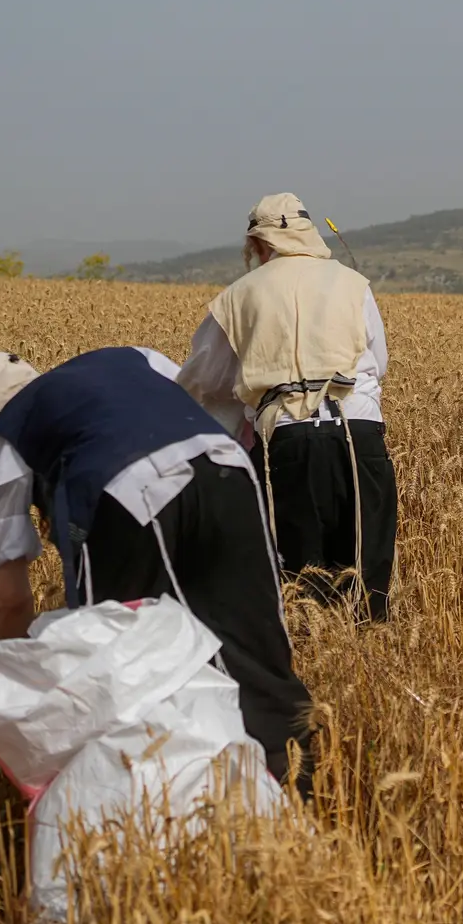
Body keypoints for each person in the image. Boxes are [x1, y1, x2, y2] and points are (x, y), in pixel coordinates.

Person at [0, 347, 313, 785]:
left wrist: (17, 691)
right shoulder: (131, 358)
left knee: (126, 671)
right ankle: (297, 791)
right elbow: (188, 397)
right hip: (228, 469)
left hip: (126, 493)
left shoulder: (3, 437)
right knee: (254, 645)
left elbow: (9, 598)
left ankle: (161, 801)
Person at [178, 194, 397, 622]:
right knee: (367, 575)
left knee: (301, 580)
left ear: (260, 244)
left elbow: (202, 379)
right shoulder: (353, 284)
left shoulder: (238, 296)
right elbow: (379, 362)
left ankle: (314, 655)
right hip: (362, 434)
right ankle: (371, 650)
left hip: (290, 440)